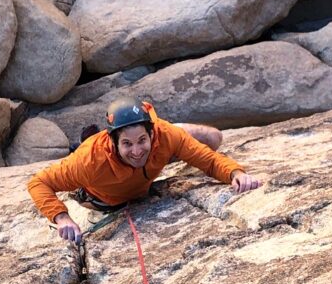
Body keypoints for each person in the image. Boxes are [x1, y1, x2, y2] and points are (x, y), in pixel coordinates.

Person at [28, 98, 262, 245]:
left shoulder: (163, 134)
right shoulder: (89, 161)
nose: (137, 150)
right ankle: (88, 138)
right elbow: (39, 183)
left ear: (151, 133)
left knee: (213, 137)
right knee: (118, 159)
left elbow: (208, 160)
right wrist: (62, 218)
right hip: (105, 196)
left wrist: (236, 174)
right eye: (127, 144)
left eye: (142, 140)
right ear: (113, 142)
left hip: (155, 160)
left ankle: (174, 137)